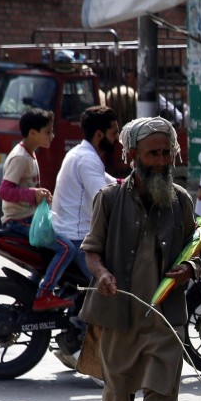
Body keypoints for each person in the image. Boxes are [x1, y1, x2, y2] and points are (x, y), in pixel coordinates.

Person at [78, 117, 201, 401]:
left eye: (167, 152)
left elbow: (195, 250)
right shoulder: (110, 199)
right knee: (118, 384)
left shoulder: (181, 201)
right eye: (154, 153)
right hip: (120, 311)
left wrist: (190, 267)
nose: (163, 160)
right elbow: (92, 251)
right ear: (132, 155)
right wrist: (101, 275)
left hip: (165, 314)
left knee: (164, 386)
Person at [0, 108, 79, 312]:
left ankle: (34, 289)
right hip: (19, 221)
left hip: (29, 217)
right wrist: (33, 194)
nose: (52, 136)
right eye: (48, 131)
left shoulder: (30, 154)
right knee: (67, 248)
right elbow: (4, 190)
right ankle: (44, 294)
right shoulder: (21, 158)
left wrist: (39, 195)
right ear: (33, 133)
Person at [52, 105, 118, 277]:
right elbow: (103, 200)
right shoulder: (88, 159)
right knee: (111, 291)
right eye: (114, 133)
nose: (117, 139)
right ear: (99, 135)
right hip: (78, 237)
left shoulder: (80, 153)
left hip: (67, 230)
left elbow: (109, 181)